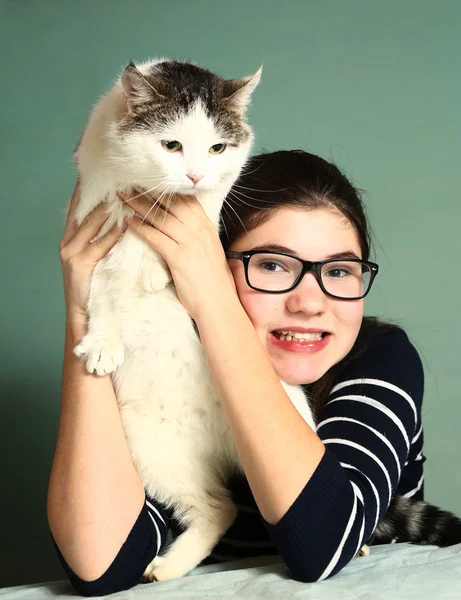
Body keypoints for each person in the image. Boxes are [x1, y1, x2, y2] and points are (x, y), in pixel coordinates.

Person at [48, 150, 424, 596]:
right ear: (198, 265)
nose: (309, 302)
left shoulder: (379, 356)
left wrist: (214, 303)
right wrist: (86, 309)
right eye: (271, 265)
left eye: (340, 271)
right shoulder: (162, 354)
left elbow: (323, 545)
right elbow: (101, 565)